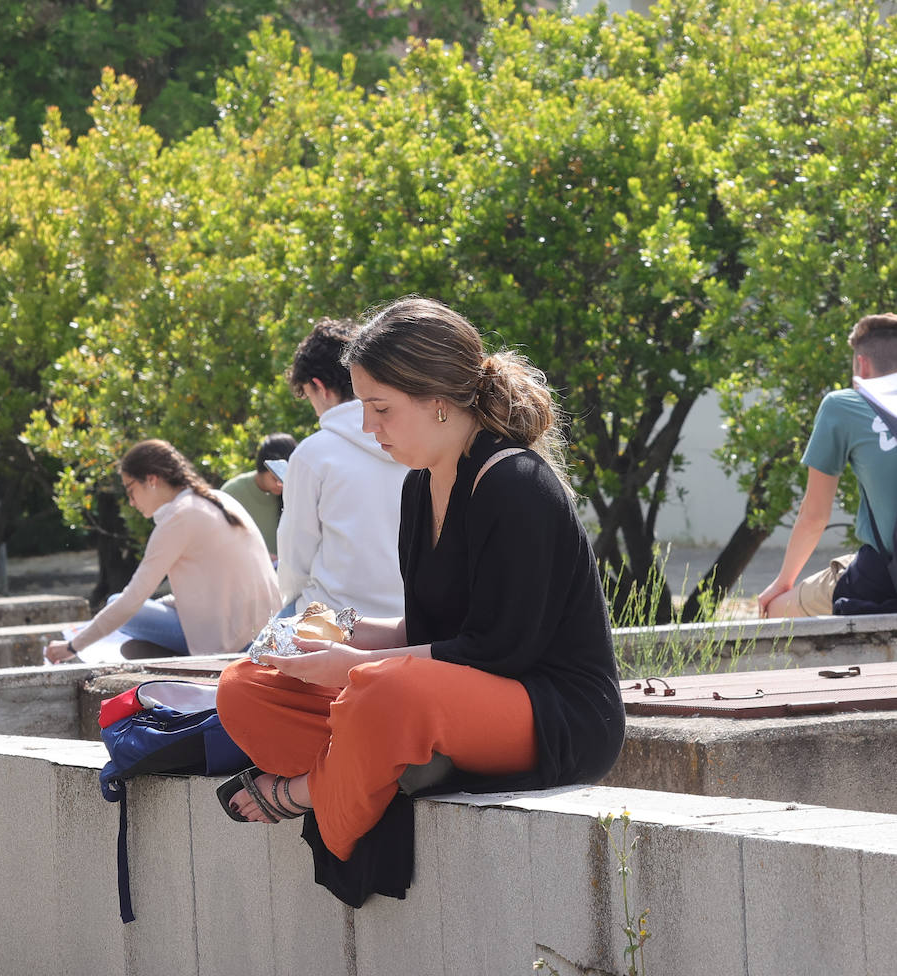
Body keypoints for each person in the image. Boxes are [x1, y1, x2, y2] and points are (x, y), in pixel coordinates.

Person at [216, 297, 625, 903]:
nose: (368, 427)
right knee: (246, 686)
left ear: (438, 401)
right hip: (447, 696)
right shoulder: (418, 486)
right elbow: (429, 628)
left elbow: (499, 649)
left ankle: (307, 793)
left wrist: (355, 667)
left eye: (380, 408)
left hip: (553, 714)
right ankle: (386, 771)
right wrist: (339, 636)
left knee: (382, 691)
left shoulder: (514, 484)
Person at [44, 440, 280, 663]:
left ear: (152, 480)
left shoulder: (179, 517)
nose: (131, 502)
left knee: (117, 603)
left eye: (130, 490)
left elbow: (131, 600)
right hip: (263, 631)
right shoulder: (218, 498)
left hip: (229, 644)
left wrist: (72, 647)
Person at [758, 314, 897, 618]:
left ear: (861, 365)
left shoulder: (843, 404)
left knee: (775, 611)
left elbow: (814, 515)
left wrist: (783, 582)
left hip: (884, 580)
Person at [276, 318, 408, 618]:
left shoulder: (314, 454)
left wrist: (287, 598)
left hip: (334, 617)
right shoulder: (417, 443)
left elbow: (296, 559)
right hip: (408, 618)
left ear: (319, 387)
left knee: (248, 656)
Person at [219, 433, 296, 560]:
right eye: (274, 477)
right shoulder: (232, 493)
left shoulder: (294, 494)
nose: (280, 484)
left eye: (285, 478)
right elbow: (219, 539)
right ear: (261, 468)